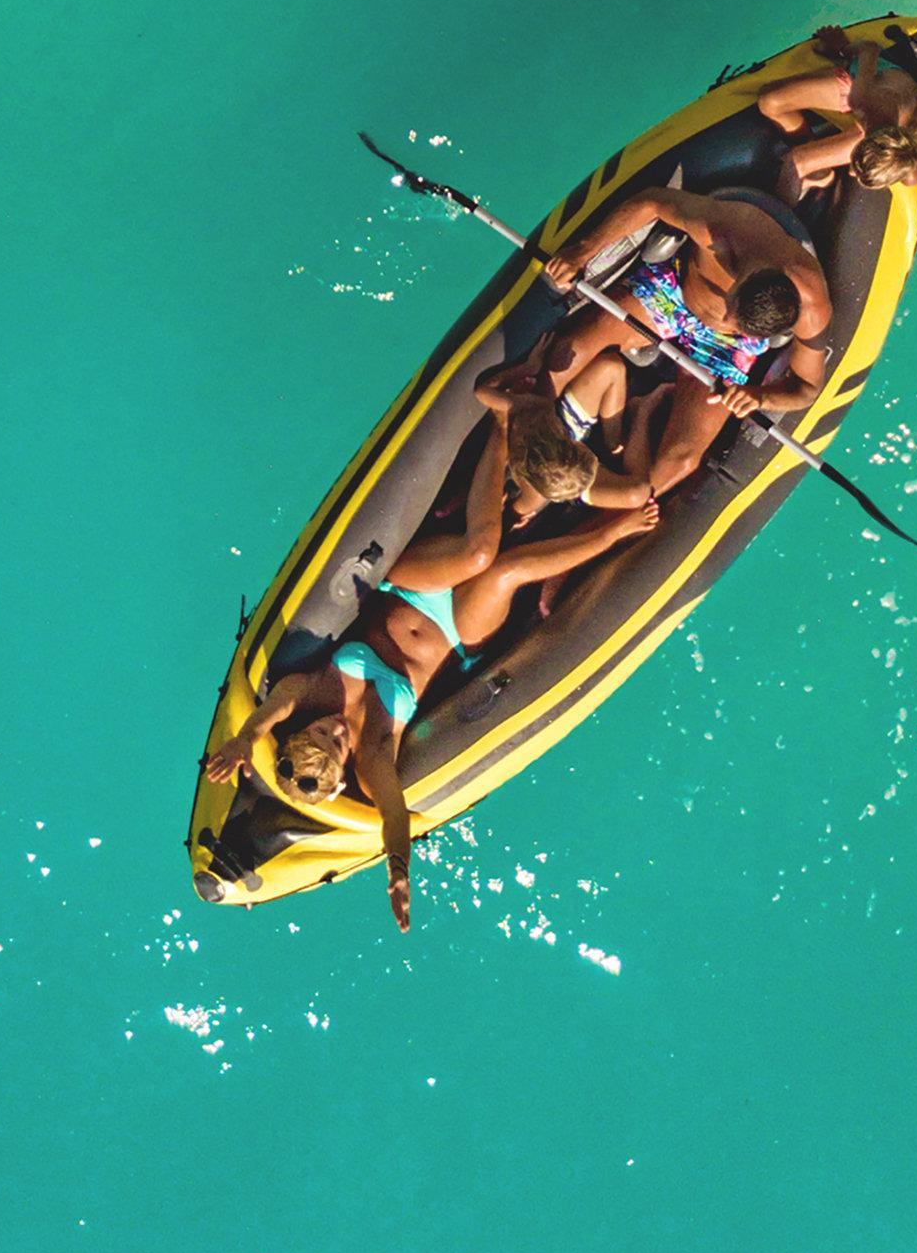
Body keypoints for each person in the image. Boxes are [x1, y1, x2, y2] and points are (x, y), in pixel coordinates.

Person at [199, 379, 661, 927]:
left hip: (410, 586)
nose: (336, 730)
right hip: (458, 635)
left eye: (321, 732)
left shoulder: (312, 697)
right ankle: (612, 534)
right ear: (346, 773)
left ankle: (503, 425)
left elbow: (269, 714)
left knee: (480, 553)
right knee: (505, 572)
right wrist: (398, 868)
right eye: (336, 743)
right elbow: (394, 815)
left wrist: (244, 739)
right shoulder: (371, 757)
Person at [538, 182, 836, 503]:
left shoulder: (812, 307)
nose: (727, 319)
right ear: (745, 281)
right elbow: (652, 200)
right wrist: (583, 251)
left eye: (740, 325)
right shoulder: (727, 231)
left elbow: (806, 388)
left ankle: (602, 518)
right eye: (731, 310)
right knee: (570, 351)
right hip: (673, 296)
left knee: (681, 462)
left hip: (727, 350)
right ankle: (535, 434)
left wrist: (760, 397)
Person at [756, 21, 917, 202]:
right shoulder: (864, 98)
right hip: (881, 77)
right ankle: (819, 170)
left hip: (897, 106)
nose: (851, 172)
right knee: (770, 102)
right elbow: (870, 49)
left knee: (799, 162)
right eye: (855, 165)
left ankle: (821, 175)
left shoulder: (913, 170)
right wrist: (841, 48)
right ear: (865, 140)